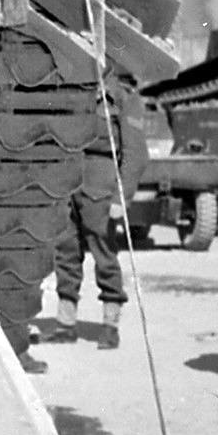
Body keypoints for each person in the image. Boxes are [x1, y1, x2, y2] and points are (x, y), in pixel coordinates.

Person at [46, 72, 149, 349]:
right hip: (68, 182)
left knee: (105, 255)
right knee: (65, 252)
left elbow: (137, 154)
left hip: (101, 185)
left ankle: (110, 325)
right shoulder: (70, 87)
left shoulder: (124, 97)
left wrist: (121, 196)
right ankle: (66, 323)